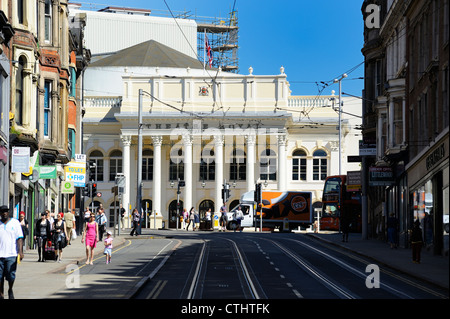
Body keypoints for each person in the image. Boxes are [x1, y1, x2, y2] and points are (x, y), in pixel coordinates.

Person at [0, 205, 24, 299]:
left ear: (8, 212)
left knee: (11, 275)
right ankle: (1, 294)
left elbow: (19, 238)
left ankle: (10, 289)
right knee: (0, 276)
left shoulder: (15, 223)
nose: (4, 213)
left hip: (12, 254)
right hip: (0, 255)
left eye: (6, 211)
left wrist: (20, 252)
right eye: (2, 211)